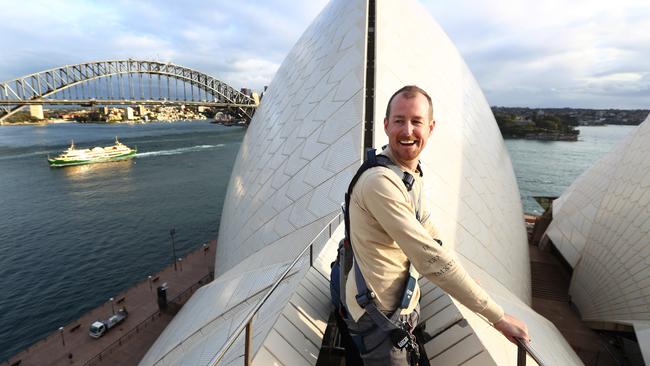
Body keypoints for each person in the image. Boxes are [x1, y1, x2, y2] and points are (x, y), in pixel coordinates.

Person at [344, 85, 530, 365]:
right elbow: (428, 257)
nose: (407, 131)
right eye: (399, 121)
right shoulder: (380, 183)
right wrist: (498, 317)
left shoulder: (409, 174)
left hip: (397, 306)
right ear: (385, 125)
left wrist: (465, 278)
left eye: (416, 122)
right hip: (379, 318)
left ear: (431, 128)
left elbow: (431, 235)